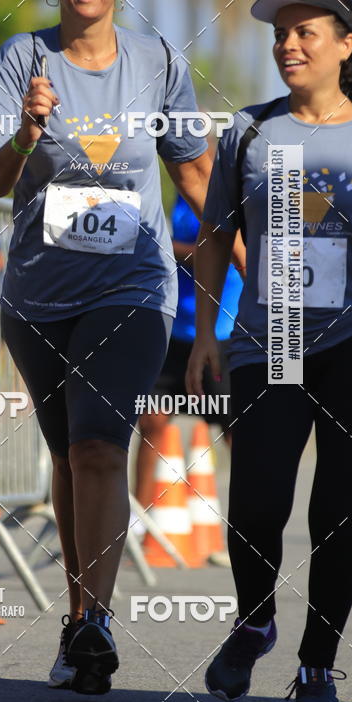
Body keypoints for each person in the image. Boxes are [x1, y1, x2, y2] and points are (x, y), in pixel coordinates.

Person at [0, 0, 244, 695]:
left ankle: (97, 622)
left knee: (98, 444)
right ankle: (78, 615)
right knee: (65, 454)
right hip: (37, 294)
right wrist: (26, 134)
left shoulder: (157, 61)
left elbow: (196, 176)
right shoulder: (21, 59)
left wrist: (254, 272)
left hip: (133, 283)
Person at [187, 0, 352, 702]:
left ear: (345, 44)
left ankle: (317, 669)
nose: (288, 45)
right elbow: (211, 236)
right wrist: (205, 333)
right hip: (270, 339)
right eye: (281, 35)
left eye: (304, 33)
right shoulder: (249, 131)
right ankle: (255, 618)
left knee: (339, 513)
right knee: (258, 504)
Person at [134, 177, 243, 527]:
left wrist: (163, 247)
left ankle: (250, 516)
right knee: (151, 418)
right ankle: (137, 518)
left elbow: (218, 251)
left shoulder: (227, 195)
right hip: (175, 330)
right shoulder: (179, 199)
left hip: (219, 332)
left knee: (234, 429)